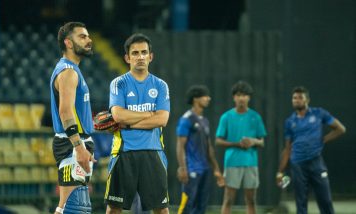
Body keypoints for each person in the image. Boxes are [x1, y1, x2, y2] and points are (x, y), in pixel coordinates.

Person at [104, 33, 170, 214]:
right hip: (124, 152)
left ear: (151, 56)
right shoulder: (119, 83)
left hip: (153, 152)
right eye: (135, 53)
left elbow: (162, 119)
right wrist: (149, 114)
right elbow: (118, 116)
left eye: (144, 52)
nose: (140, 57)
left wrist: (130, 122)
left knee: (161, 209)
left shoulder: (160, 85)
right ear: (127, 58)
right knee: (113, 209)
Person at [276, 86, 346, 214]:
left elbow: (340, 129)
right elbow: (287, 148)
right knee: (300, 202)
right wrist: (280, 173)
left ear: (307, 100)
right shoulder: (290, 121)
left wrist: (323, 139)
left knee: (325, 200)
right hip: (298, 165)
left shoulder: (319, 113)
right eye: (294, 98)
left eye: (300, 98)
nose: (297, 100)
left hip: (316, 162)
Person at [50, 22, 96, 214]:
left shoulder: (71, 70)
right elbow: (66, 112)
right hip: (73, 145)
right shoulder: (68, 72)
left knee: (67, 208)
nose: (89, 40)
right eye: (82, 37)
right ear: (68, 43)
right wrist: (79, 147)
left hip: (76, 143)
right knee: (76, 208)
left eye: (88, 36)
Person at [215, 81, 267, 214]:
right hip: (232, 162)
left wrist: (252, 141)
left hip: (251, 162)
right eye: (238, 95)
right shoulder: (226, 117)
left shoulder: (255, 117)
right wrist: (237, 144)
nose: (241, 98)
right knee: (228, 200)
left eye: (244, 95)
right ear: (234, 97)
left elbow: (262, 142)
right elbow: (218, 141)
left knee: (251, 200)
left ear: (249, 97)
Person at [176, 85, 224, 214]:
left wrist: (216, 170)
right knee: (187, 206)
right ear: (196, 99)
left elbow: (209, 148)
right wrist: (182, 168)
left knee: (201, 207)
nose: (209, 98)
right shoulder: (187, 119)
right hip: (191, 169)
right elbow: (180, 145)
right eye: (205, 96)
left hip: (205, 169)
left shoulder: (205, 121)